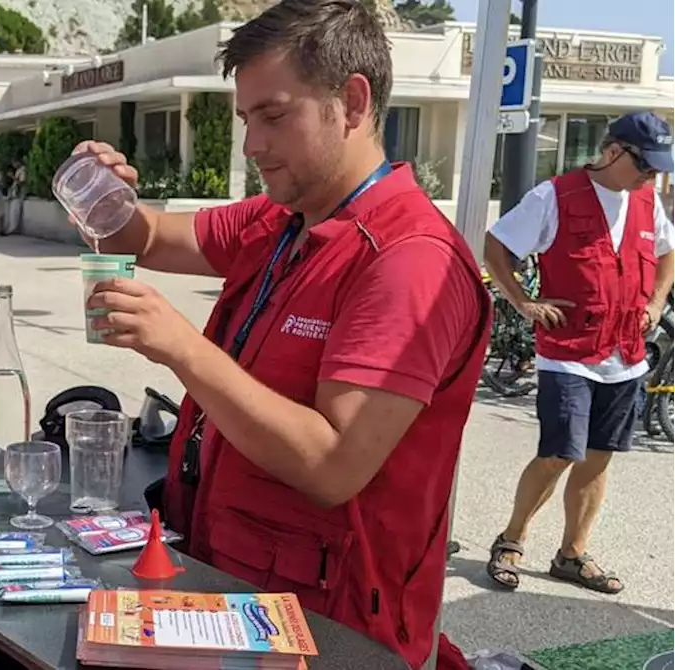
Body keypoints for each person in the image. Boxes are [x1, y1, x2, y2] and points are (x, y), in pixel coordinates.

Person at [78, 1, 490, 667]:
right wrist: (104, 194)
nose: (252, 145)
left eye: (273, 115)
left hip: (331, 629)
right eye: (246, 119)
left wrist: (181, 346)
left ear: (352, 102)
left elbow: (332, 467)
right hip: (240, 594)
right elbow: (144, 236)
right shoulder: (281, 220)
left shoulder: (408, 261)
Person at [484, 111, 675, 595]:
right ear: (613, 152)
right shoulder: (554, 196)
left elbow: (668, 254)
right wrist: (522, 301)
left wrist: (656, 302)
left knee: (599, 457)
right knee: (557, 454)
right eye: (646, 165)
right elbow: (497, 245)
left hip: (625, 352)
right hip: (568, 351)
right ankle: (511, 539)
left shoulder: (647, 201)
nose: (652, 175)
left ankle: (571, 555)